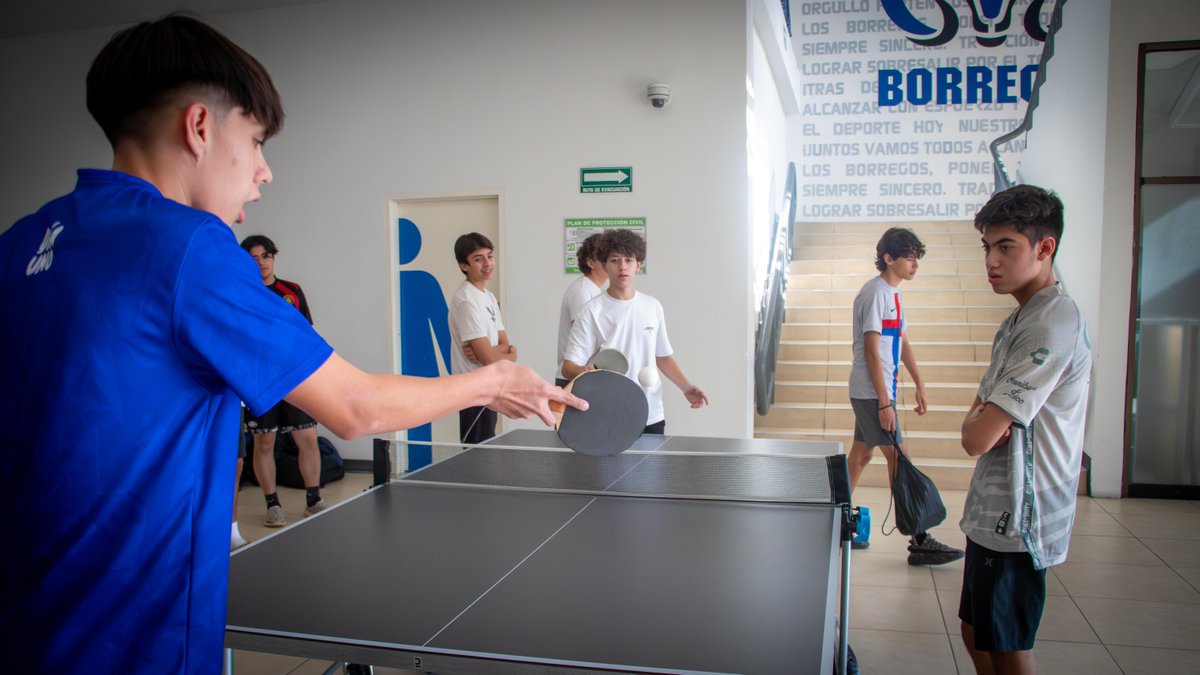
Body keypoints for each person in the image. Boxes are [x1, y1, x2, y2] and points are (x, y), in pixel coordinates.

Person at [0, 15, 582, 674]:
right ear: (199, 128)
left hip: (27, 618)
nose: (264, 171)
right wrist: (495, 382)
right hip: (131, 634)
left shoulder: (23, 239)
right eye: (254, 141)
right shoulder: (188, 245)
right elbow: (354, 406)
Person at [958, 185, 1091, 675]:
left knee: (1007, 644)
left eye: (1006, 246)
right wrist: (984, 419)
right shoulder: (1018, 319)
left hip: (1020, 513)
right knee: (976, 632)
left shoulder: (1052, 321)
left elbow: (975, 436)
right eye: (987, 247)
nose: (991, 261)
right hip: (994, 508)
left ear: (1045, 247)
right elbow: (978, 422)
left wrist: (983, 420)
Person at [846, 227, 964, 566]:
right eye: (909, 257)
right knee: (899, 458)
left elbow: (903, 343)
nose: (915, 264)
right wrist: (884, 402)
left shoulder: (893, 295)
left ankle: (832, 520)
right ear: (888, 258)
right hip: (872, 392)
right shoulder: (874, 294)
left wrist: (920, 383)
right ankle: (920, 538)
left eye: (917, 258)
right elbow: (871, 350)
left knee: (860, 457)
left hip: (878, 391)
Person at [562, 229, 708, 434]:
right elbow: (568, 367)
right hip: (607, 413)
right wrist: (583, 372)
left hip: (651, 413)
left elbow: (663, 357)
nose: (622, 266)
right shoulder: (591, 311)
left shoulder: (652, 306)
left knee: (650, 467)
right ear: (604, 265)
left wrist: (685, 387)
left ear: (638, 265)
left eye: (628, 260)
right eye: (614, 260)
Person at [239, 234, 328, 526]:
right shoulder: (240, 293)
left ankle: (313, 499)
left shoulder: (292, 291)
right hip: (260, 382)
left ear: (273, 257)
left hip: (295, 378)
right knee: (264, 443)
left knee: (307, 438)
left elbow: (307, 334)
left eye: (265, 256)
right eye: (253, 258)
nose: (261, 263)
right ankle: (272, 504)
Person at [448, 232, 516, 443]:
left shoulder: (488, 296)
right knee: (476, 453)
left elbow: (505, 345)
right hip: (473, 391)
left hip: (489, 386)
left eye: (489, 256)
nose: (487, 263)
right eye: (478, 259)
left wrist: (509, 352)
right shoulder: (467, 301)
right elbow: (489, 358)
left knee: (487, 446)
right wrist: (502, 353)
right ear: (464, 266)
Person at [555, 232, 608, 387]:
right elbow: (582, 336)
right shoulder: (582, 291)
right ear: (591, 263)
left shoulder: (596, 291)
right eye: (604, 258)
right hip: (574, 377)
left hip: (587, 377)